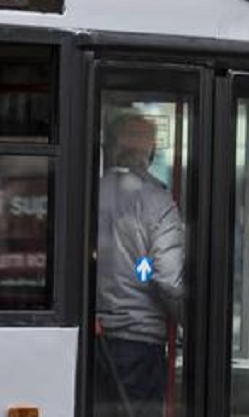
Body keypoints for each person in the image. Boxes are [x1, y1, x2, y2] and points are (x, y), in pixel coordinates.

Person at [94, 113, 185, 417]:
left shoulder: (85, 194)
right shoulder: (159, 202)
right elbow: (169, 280)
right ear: (151, 151)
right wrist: (190, 323)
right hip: (140, 343)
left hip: (93, 338)